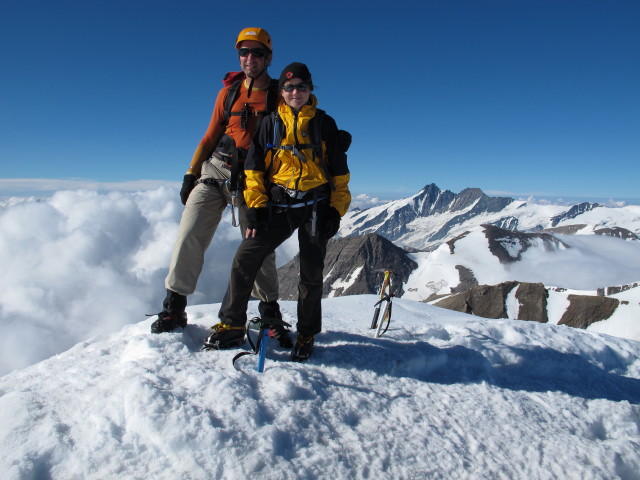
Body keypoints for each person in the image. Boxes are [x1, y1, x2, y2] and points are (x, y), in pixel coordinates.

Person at [151, 28, 291, 347]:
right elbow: (210, 135)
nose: (249, 58)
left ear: (268, 57)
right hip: (217, 168)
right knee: (190, 232)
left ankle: (269, 314)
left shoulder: (279, 94)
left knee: (258, 246)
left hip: (257, 179)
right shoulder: (228, 93)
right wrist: (191, 173)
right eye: (244, 52)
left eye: (256, 53)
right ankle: (174, 307)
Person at [204, 62, 351, 362]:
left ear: (311, 89)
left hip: (315, 208)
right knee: (247, 256)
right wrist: (255, 208)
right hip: (279, 207)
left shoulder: (324, 124)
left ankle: (307, 333)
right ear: (281, 92)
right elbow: (254, 170)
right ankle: (232, 323)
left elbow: (339, 175)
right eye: (289, 87)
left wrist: (335, 212)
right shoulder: (269, 124)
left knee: (311, 273)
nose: (295, 92)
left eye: (301, 86)